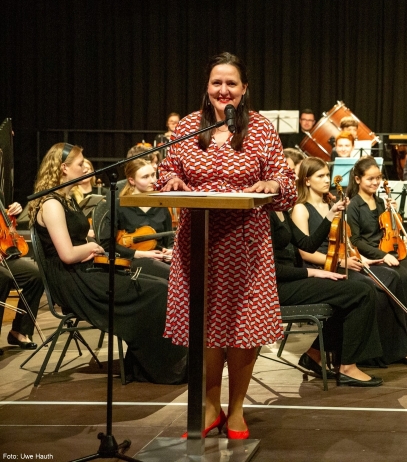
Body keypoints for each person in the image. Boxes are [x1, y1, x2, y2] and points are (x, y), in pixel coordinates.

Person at [156, 52, 296, 439]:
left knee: (242, 330)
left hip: (245, 246)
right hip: (196, 245)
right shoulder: (186, 128)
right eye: (217, 83)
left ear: (244, 88)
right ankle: (209, 407)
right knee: (206, 329)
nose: (223, 90)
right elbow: (168, 169)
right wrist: (169, 181)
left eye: (231, 83)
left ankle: (236, 410)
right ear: (207, 87)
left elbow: (285, 181)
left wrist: (273, 184)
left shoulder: (262, 130)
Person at [29, 142, 187, 383]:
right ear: (63, 168)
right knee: (157, 292)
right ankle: (160, 368)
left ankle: (148, 361)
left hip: (84, 271)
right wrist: (91, 246)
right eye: (80, 164)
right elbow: (68, 254)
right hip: (74, 281)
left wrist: (88, 240)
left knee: (158, 284)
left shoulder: (67, 199)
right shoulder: (51, 204)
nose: (85, 168)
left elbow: (74, 240)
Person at [290, 157, 407, 368]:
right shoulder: (300, 209)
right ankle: (351, 354)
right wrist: (344, 261)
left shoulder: (330, 203)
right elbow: (305, 253)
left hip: (342, 260)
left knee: (388, 281)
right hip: (320, 266)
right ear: (306, 181)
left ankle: (387, 350)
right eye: (320, 176)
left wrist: (361, 258)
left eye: (327, 175)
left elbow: (346, 239)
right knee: (367, 289)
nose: (326, 180)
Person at [271, 208, 384, 386]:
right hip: (276, 287)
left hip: (291, 280)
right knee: (361, 292)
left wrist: (330, 215)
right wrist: (312, 272)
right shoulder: (262, 214)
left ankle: (314, 354)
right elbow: (272, 269)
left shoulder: (281, 211)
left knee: (355, 291)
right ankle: (347, 368)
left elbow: (306, 244)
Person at [345, 156, 407, 347]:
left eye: (378, 178)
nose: (376, 183)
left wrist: (395, 214)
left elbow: (391, 231)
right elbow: (355, 241)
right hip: (371, 256)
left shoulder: (382, 202)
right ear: (358, 179)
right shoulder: (354, 206)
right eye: (370, 179)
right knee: (405, 277)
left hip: (388, 251)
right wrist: (382, 256)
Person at [96, 158, 173, 280]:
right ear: (132, 180)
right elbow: (107, 244)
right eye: (145, 177)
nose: (153, 180)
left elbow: (170, 240)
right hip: (133, 262)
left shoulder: (161, 205)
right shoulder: (119, 205)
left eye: (153, 175)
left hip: (162, 261)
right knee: (174, 276)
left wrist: (170, 251)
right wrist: (140, 254)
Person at [0, 198, 44, 354]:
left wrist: (13, 209)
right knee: (4, 277)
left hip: (3, 255)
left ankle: (19, 331)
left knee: (36, 276)